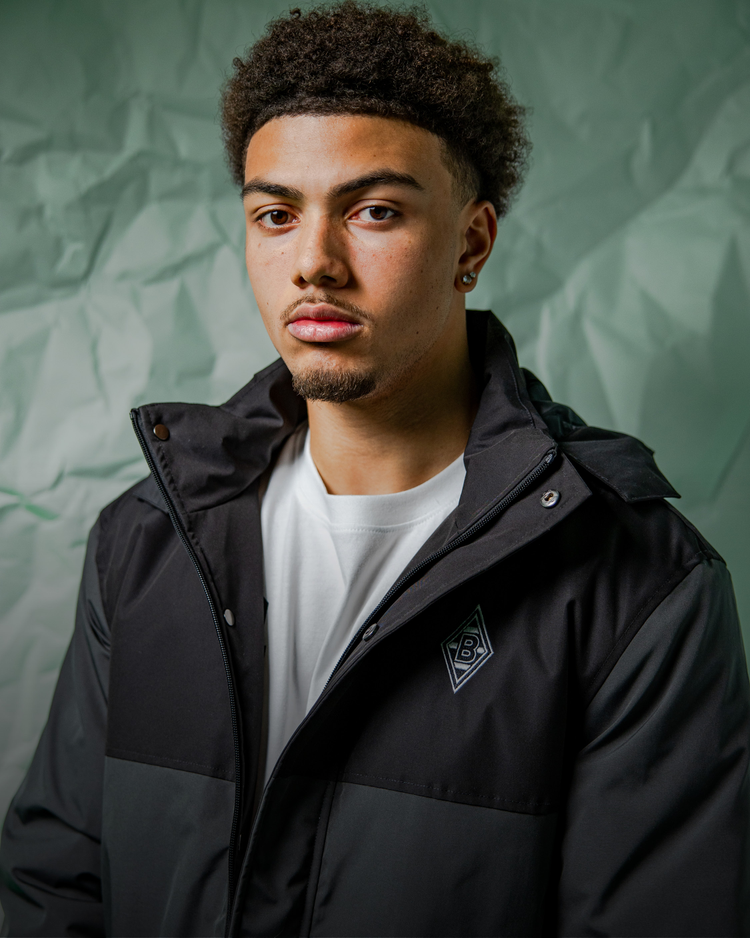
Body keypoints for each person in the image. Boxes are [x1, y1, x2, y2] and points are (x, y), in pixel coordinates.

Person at [1, 2, 749, 935]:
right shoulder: (146, 541)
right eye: (276, 214)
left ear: (471, 245)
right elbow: (54, 887)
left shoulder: (641, 586)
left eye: (374, 211)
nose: (314, 263)